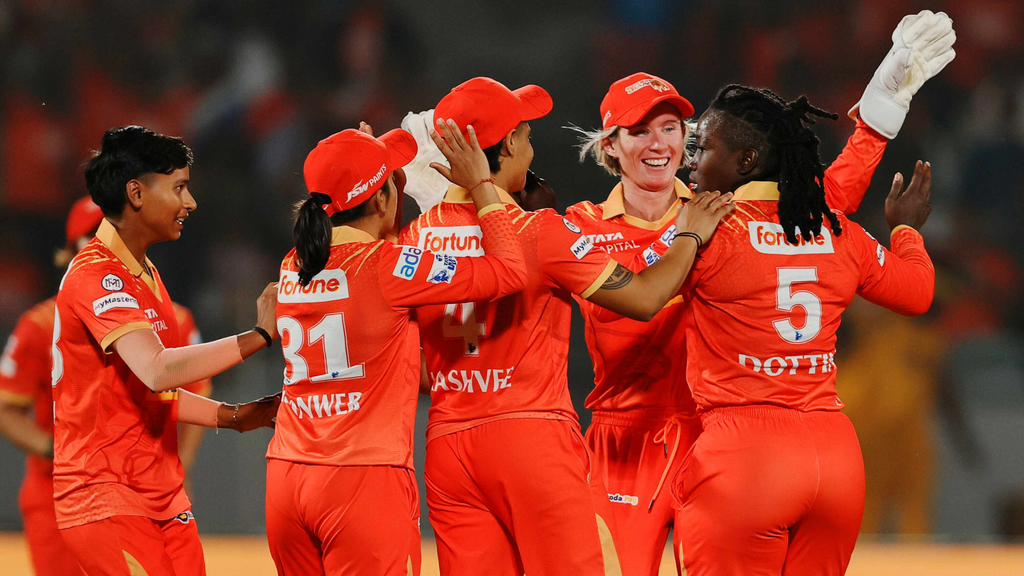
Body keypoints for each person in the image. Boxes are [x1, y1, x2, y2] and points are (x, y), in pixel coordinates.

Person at [562, 10, 956, 574]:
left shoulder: (711, 222)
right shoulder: (582, 224)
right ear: (609, 146)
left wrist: (876, 121)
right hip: (633, 445)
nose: (661, 143)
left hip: (721, 437)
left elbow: (818, 206)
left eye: (672, 128)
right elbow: (823, 220)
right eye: (639, 130)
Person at [399, 76, 734, 576]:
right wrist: (688, 236)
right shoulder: (543, 231)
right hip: (532, 437)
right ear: (507, 147)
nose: (532, 150)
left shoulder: (411, 241)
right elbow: (645, 298)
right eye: (526, 137)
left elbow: (405, 359)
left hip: (448, 444)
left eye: (669, 127)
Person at [670, 84, 935, 576]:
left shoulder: (705, 232)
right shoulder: (835, 229)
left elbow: (641, 291)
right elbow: (918, 292)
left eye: (702, 148)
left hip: (744, 454)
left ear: (746, 161)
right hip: (834, 459)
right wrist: (905, 231)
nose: (691, 162)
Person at [263, 121, 529, 576]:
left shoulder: (294, 263)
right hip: (361, 481)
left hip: (287, 479)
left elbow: (374, 254)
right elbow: (508, 271)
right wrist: (482, 186)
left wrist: (382, 182)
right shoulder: (389, 267)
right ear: (381, 200)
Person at [52, 126, 282, 576]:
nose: (190, 202)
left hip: (163, 497)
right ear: (136, 193)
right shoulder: (97, 275)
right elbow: (157, 370)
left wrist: (231, 417)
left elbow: (145, 392)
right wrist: (258, 336)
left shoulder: (145, 273)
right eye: (178, 187)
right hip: (106, 495)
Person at [0, 196, 214, 576]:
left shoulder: (173, 316)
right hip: (64, 488)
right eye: (95, 232)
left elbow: (197, 390)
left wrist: (181, 465)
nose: (109, 239)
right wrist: (54, 451)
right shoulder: (37, 325)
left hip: (147, 488)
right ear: (71, 251)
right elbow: (6, 408)